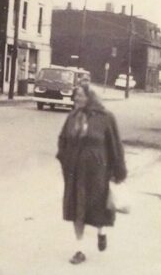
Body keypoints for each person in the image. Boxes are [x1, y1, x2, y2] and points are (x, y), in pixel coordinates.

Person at [56, 83, 127, 265]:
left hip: (98, 173)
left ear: (90, 98)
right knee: (77, 210)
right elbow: (62, 139)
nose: (76, 99)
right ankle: (80, 250)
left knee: (96, 210)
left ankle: (101, 233)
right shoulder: (72, 117)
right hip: (75, 173)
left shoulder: (106, 118)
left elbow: (115, 145)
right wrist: (65, 159)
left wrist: (118, 171)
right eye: (76, 96)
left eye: (80, 96)